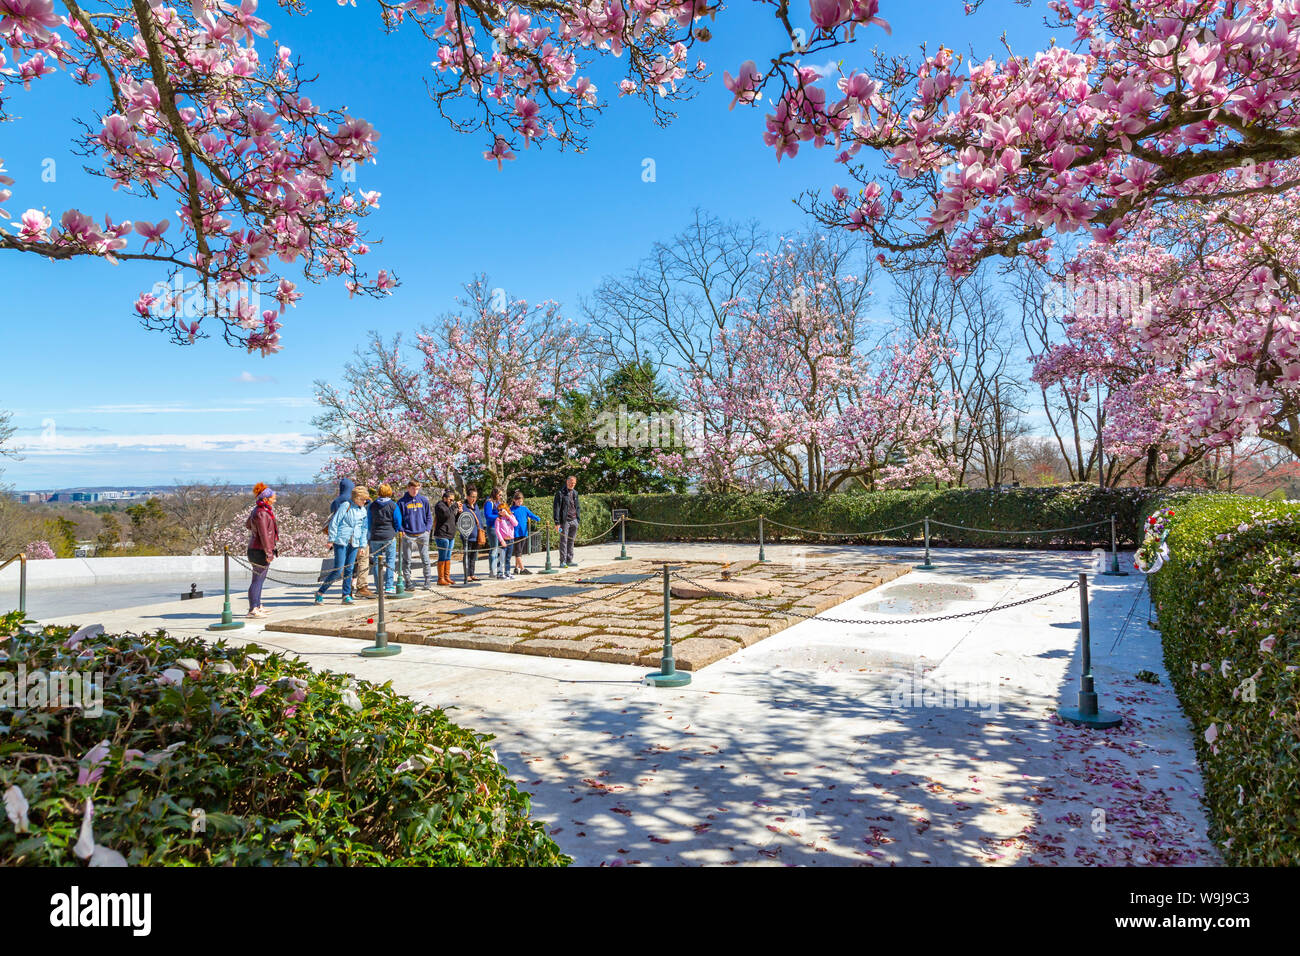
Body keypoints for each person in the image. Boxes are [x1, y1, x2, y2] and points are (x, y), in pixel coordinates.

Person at [316, 485, 368, 604]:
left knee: (349, 569)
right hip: (341, 540)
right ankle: (320, 592)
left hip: (354, 542)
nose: (365, 501)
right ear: (356, 498)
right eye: (363, 499)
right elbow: (335, 522)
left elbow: (364, 528)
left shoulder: (363, 510)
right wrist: (331, 540)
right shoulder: (346, 505)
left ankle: (346, 595)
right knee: (338, 569)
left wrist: (362, 545)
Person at [245, 486, 279, 618]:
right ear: (265, 499)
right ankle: (253, 608)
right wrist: (269, 552)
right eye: (273, 498)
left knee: (259, 579)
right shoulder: (262, 513)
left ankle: (257, 605)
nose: (274, 500)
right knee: (257, 580)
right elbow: (264, 535)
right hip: (259, 550)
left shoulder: (259, 511)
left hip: (256, 548)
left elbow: (248, 524)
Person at [367, 482, 403, 595]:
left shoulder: (372, 505)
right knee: (390, 560)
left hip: (375, 536)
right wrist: (395, 531)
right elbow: (397, 521)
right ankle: (389, 586)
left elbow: (368, 521)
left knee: (377, 562)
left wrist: (371, 532)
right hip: (389, 535)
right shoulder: (393, 505)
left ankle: (378, 587)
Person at [398, 480, 433, 590]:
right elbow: (398, 519)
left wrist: (427, 530)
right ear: (408, 488)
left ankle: (427, 580)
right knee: (407, 559)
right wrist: (402, 530)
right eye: (413, 488)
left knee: (425, 558)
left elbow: (429, 516)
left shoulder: (423, 500)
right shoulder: (401, 502)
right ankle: (408, 581)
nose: (415, 491)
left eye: (417, 489)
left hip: (422, 534)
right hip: (408, 534)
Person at [433, 488, 461, 587]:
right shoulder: (440, 505)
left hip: (450, 534)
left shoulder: (451, 507)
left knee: (448, 557)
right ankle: (440, 578)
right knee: (442, 556)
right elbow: (445, 515)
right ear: (444, 498)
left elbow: (453, 518)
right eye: (450, 499)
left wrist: (459, 512)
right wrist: (454, 506)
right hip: (442, 534)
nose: (452, 501)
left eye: (453, 500)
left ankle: (446, 577)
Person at [509, 491, 542, 576]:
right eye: (518, 501)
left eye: (521, 501)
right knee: (518, 552)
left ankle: (516, 568)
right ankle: (522, 569)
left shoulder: (524, 508)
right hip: (515, 533)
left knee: (519, 552)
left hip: (524, 533)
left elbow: (531, 515)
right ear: (514, 500)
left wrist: (537, 518)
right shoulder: (511, 509)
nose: (519, 503)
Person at [553, 475, 580, 568]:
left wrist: (578, 519)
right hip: (564, 521)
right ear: (567, 482)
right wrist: (557, 522)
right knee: (563, 541)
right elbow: (556, 508)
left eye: (574, 483)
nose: (572, 484)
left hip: (574, 520)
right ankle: (562, 561)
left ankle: (569, 560)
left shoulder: (575, 493)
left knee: (571, 541)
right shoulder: (560, 493)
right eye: (571, 482)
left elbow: (577, 507)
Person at [459, 485, 485, 582]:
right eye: (472, 497)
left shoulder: (477, 506)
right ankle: (467, 575)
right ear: (467, 497)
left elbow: (480, 521)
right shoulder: (463, 507)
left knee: (473, 556)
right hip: (467, 536)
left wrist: (481, 531)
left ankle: (472, 573)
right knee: (467, 555)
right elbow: (460, 520)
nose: (474, 499)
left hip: (476, 535)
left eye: (475, 497)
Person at [493, 493, 517, 580]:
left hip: (511, 540)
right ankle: (499, 573)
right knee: (501, 558)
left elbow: (515, 523)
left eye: (502, 510)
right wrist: (501, 540)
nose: (500, 512)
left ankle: (507, 572)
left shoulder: (511, 516)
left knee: (508, 558)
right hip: (503, 540)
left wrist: (507, 515)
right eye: (499, 510)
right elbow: (497, 531)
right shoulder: (498, 519)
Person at [483, 487, 502, 579]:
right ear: (495, 494)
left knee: (499, 549)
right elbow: (488, 515)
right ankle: (492, 570)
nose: (500, 496)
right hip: (492, 527)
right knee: (494, 549)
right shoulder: (489, 502)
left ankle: (498, 568)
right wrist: (498, 515)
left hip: (499, 527)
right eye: (499, 495)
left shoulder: (498, 503)